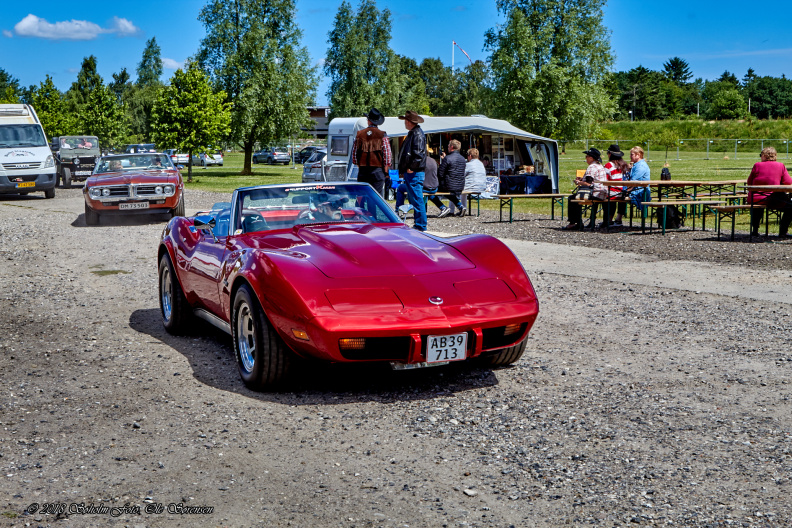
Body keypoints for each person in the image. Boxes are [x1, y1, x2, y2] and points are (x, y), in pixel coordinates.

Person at [747, 146, 792, 237]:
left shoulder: (757, 165)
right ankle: (783, 231)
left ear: (764, 156)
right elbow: (788, 182)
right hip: (773, 198)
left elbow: (749, 182)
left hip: (755, 198)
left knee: (757, 206)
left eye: (761, 155)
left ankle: (755, 230)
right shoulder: (780, 165)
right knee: (790, 208)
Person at [397, 110, 428, 231]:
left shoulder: (417, 134)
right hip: (413, 172)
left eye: (406, 120)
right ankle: (419, 224)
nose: (404, 122)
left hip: (414, 173)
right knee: (415, 198)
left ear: (410, 122)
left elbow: (418, 155)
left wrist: (411, 168)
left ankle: (420, 225)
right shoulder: (414, 133)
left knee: (417, 199)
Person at [563, 148, 608, 230]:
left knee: (572, 198)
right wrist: (582, 180)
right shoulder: (600, 166)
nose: (586, 158)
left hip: (594, 193)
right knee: (575, 198)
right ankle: (582, 222)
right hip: (602, 193)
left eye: (587, 156)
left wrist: (578, 182)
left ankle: (575, 223)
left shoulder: (591, 167)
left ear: (591, 158)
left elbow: (588, 184)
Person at [352, 108, 392, 198]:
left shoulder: (359, 134)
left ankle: (360, 212)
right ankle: (372, 212)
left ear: (368, 121)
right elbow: (387, 156)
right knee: (375, 197)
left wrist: (360, 165)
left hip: (363, 171)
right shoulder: (382, 135)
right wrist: (386, 172)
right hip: (377, 172)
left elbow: (354, 156)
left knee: (361, 197)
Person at [436, 139, 467, 218]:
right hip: (460, 185)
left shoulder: (448, 158)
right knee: (450, 192)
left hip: (449, 185)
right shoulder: (463, 159)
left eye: (448, 146)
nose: (448, 147)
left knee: (431, 191)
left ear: (451, 147)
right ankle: (460, 206)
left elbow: (440, 173)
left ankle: (442, 207)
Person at [602, 144, 629, 227]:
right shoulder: (625, 165)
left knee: (606, 194)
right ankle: (619, 218)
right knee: (621, 193)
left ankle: (608, 220)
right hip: (624, 192)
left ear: (610, 154)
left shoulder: (608, 165)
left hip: (613, 192)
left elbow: (605, 180)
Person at [626, 146, 651, 213]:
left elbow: (633, 181)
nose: (630, 156)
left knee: (618, 196)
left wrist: (626, 190)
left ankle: (617, 219)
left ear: (638, 155)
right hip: (636, 190)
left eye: (632, 154)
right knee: (618, 195)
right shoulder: (636, 165)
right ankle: (618, 218)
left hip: (641, 192)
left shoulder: (641, 166)